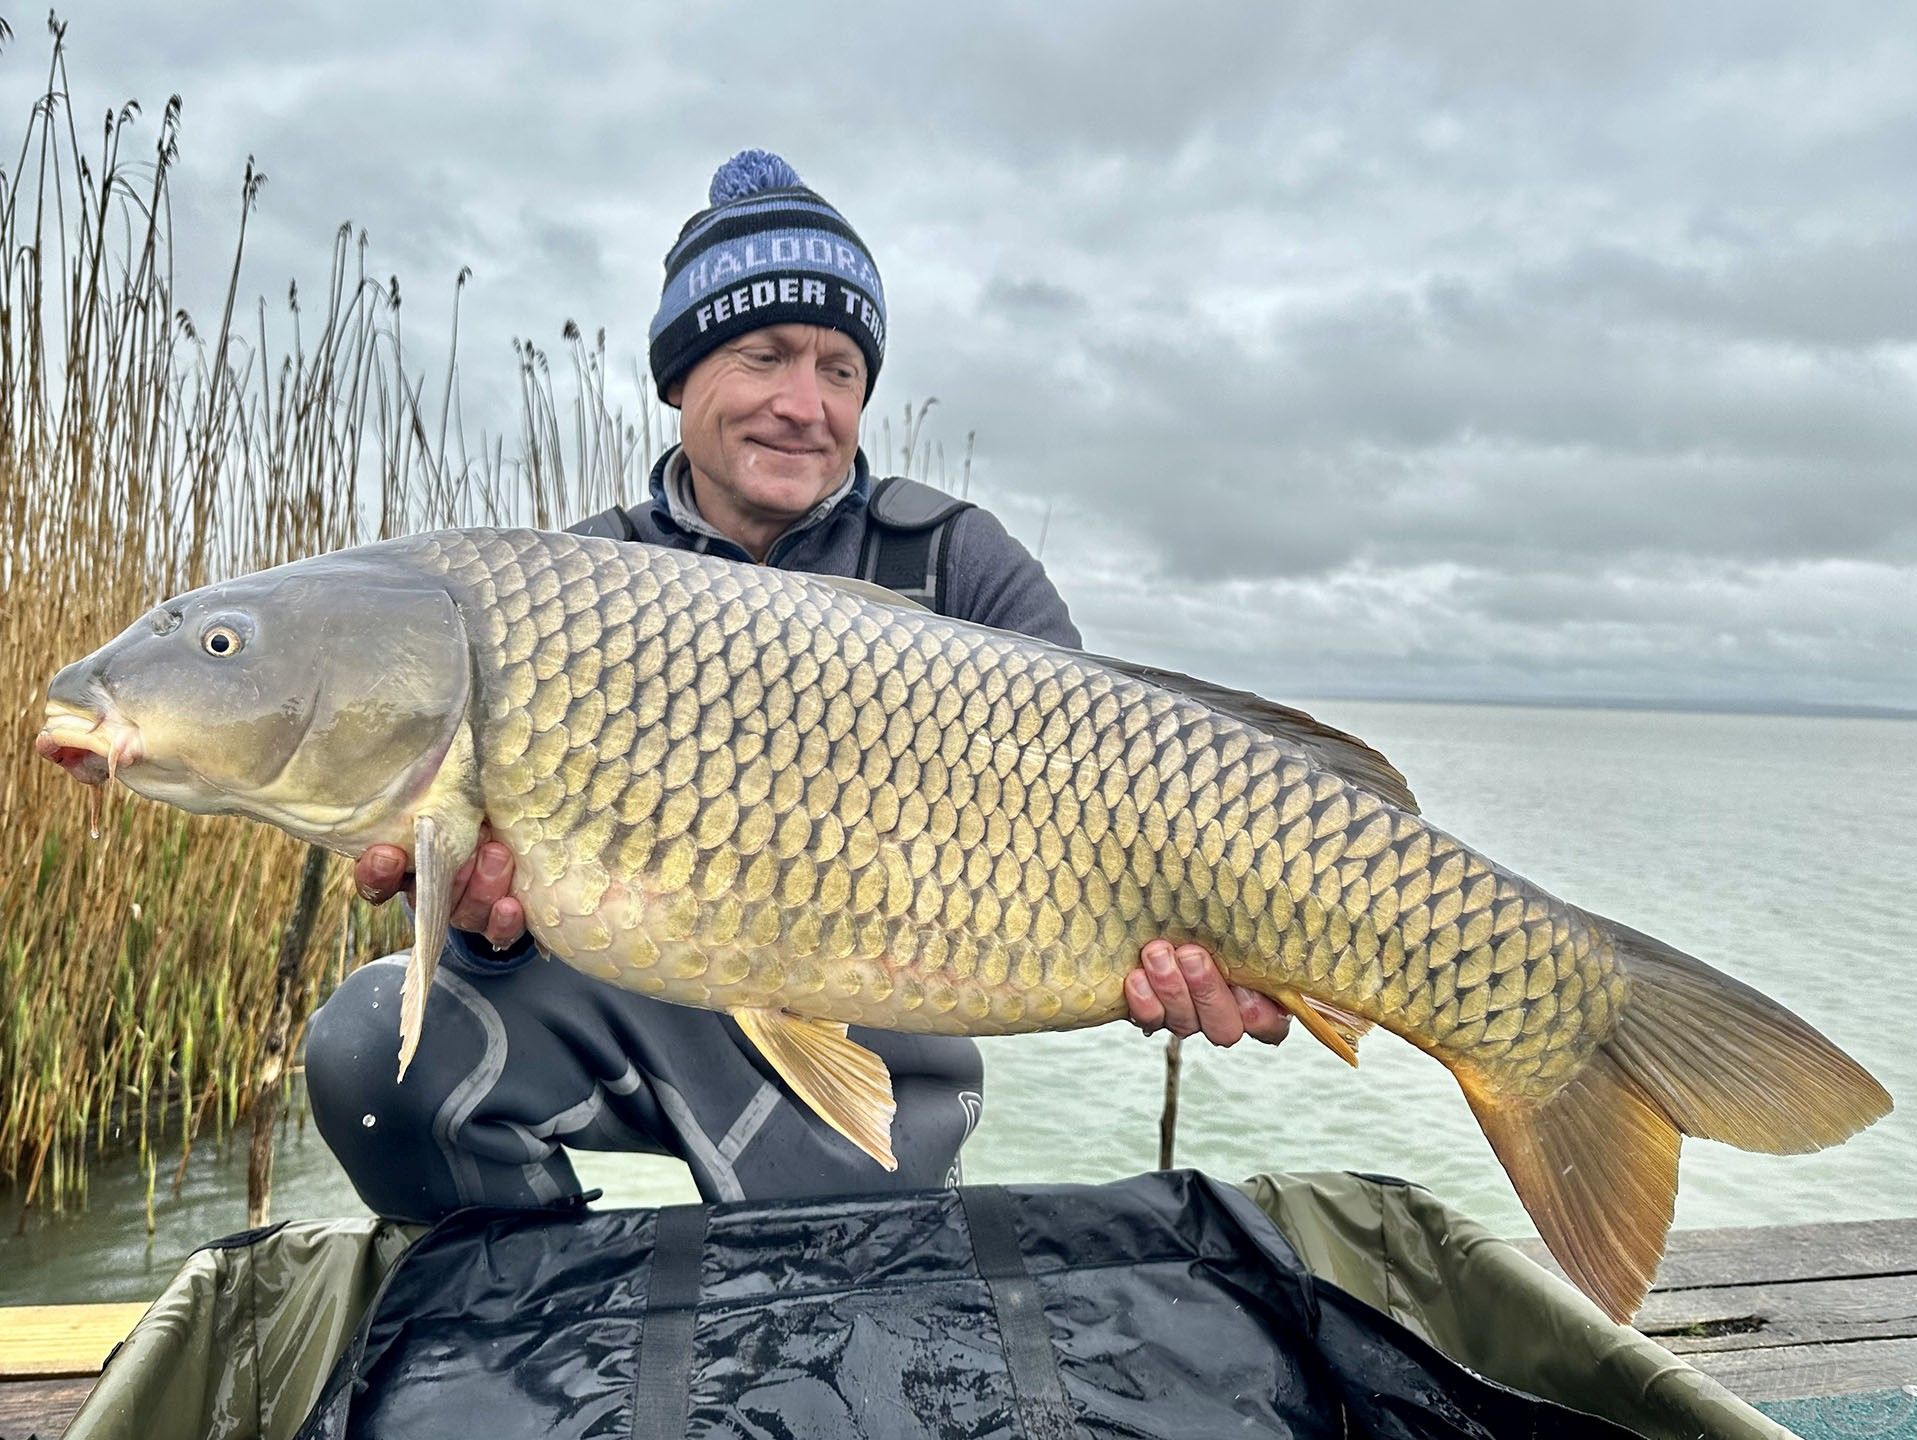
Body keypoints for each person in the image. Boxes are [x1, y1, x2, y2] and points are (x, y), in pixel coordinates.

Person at [306, 151, 1288, 1223]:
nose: (803, 405)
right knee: (373, 1059)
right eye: (764, 355)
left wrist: (1203, 955)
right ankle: (523, 1318)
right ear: (681, 375)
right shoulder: (569, 587)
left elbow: (1123, 802)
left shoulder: (959, 565)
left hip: (879, 1029)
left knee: (841, 1322)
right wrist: (489, 925)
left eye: (840, 371)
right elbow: (515, 921)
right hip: (635, 1010)